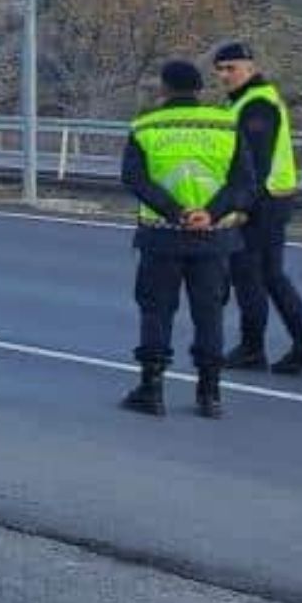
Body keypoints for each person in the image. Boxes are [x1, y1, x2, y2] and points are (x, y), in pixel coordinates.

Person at [119, 59, 255, 418]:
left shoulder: (145, 126)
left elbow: (135, 179)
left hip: (161, 238)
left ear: (164, 89)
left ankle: (152, 390)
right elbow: (243, 183)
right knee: (209, 314)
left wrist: (176, 213)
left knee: (156, 311)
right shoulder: (226, 125)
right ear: (199, 90)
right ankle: (209, 394)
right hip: (214, 238)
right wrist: (209, 212)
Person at [212, 41, 302, 375]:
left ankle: (252, 349)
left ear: (251, 67)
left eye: (231, 68)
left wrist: (241, 206)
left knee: (248, 275)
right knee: (271, 275)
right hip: (273, 197)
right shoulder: (246, 100)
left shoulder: (257, 103)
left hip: (263, 200)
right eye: (219, 69)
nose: (224, 75)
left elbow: (255, 163)